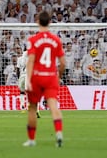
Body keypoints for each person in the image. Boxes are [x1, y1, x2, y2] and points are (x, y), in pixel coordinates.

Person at [23, 11, 66, 147]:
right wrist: (58, 75)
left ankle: (31, 140)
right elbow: (63, 63)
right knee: (53, 106)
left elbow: (30, 60)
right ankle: (58, 133)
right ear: (50, 22)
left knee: (32, 108)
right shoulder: (56, 40)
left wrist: (28, 80)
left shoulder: (33, 40)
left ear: (37, 22)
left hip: (36, 76)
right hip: (51, 77)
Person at [16, 50, 41, 118]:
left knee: (22, 91)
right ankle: (36, 110)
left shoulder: (20, 59)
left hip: (22, 76)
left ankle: (22, 107)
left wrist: (19, 78)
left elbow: (17, 70)